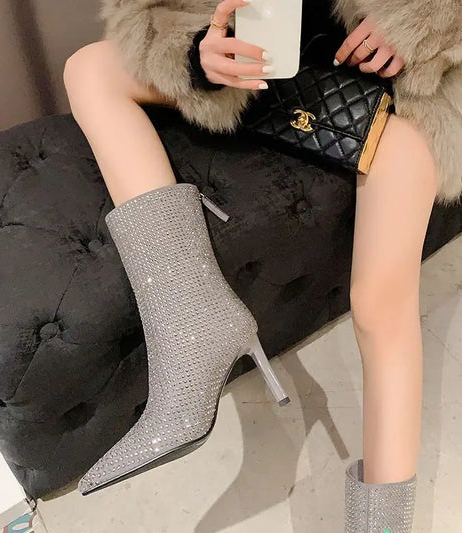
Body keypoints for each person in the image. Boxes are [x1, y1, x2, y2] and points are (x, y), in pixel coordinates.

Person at [63, 0, 461, 530]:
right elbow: (147, 10)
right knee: (90, 69)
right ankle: (192, 328)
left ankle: (382, 526)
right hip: (255, 80)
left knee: (380, 308)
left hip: (399, 102)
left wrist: (421, 25)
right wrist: (197, 50)